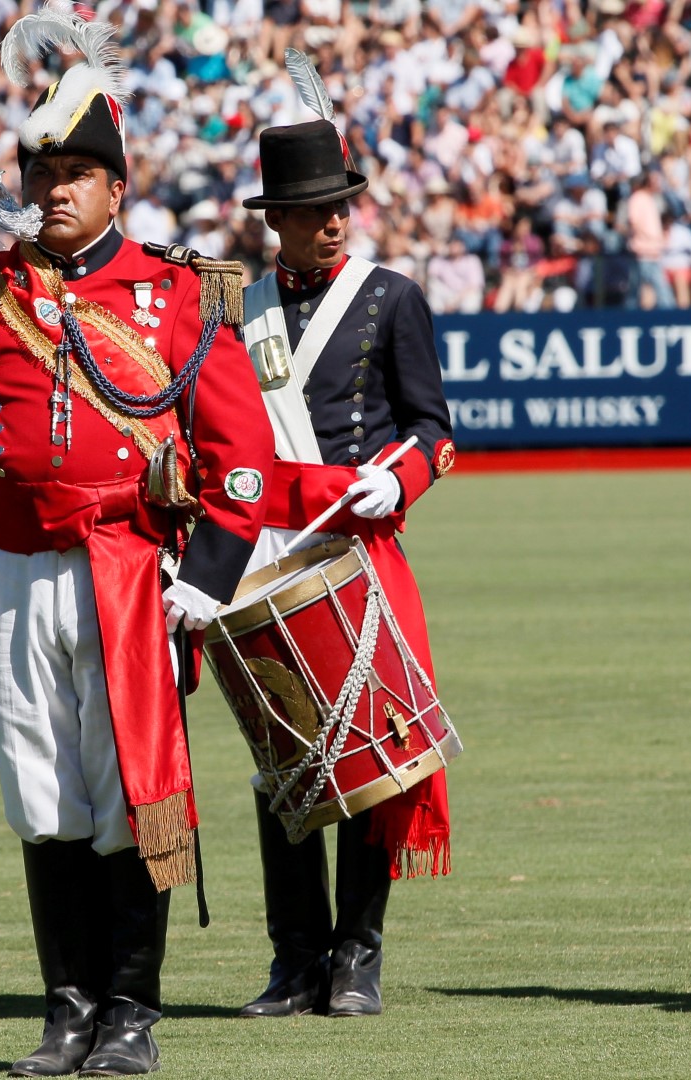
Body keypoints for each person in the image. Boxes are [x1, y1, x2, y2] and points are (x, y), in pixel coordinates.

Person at [0, 9, 274, 1075]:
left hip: (131, 576)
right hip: (13, 574)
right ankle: (65, 1013)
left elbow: (238, 459)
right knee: (41, 796)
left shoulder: (180, 297)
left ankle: (131, 1013)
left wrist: (206, 579)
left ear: (118, 186)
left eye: (77, 171)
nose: (54, 188)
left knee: (131, 796)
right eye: (41, 170)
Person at [233, 116, 456, 1020]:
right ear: (274, 220)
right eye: (312, 210)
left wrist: (395, 477)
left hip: (356, 545)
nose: (333, 222)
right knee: (280, 758)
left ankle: (355, 958)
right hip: (264, 552)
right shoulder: (235, 309)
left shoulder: (390, 296)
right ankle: (294, 962)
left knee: (372, 756)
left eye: (340, 206)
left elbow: (433, 430)